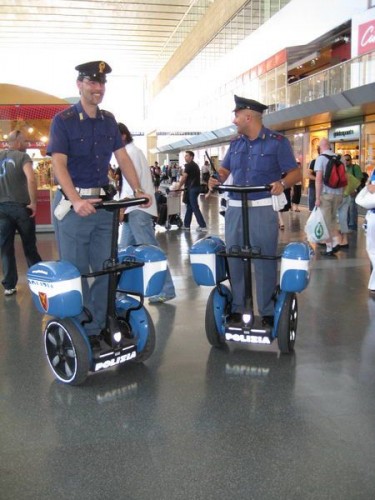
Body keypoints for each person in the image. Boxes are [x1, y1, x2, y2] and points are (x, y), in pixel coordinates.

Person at [47, 60, 151, 336]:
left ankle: (97, 322)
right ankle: (77, 325)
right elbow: (58, 164)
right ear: (79, 85)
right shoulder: (63, 121)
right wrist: (75, 199)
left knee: (107, 267)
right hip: (74, 206)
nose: (98, 88)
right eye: (92, 82)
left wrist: (139, 190)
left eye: (102, 83)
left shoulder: (108, 120)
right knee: (77, 271)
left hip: (104, 205)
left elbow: (122, 157)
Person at [209, 95, 301, 327]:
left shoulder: (277, 142)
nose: (234, 119)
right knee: (235, 257)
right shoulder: (235, 144)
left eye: (237, 115)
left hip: (262, 209)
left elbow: (295, 173)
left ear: (248, 116)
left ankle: (268, 311)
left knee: (263, 259)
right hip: (235, 210)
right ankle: (238, 308)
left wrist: (283, 183)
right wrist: (216, 178)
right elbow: (224, 169)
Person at [117, 122, 176, 304]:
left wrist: (121, 208)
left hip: (137, 210)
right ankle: (120, 292)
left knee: (150, 250)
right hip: (134, 210)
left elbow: (131, 185)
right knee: (123, 252)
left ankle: (167, 288)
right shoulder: (131, 152)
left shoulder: (130, 153)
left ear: (123, 136)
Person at [0, 130, 42, 296]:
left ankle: (9, 285)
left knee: (5, 248)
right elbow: (31, 179)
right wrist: (34, 203)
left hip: (2, 209)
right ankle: (39, 282)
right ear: (16, 142)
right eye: (24, 141)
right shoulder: (23, 157)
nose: (27, 144)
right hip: (21, 208)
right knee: (29, 246)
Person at [314, 138, 344, 257]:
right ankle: (336, 241)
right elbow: (344, 177)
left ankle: (329, 248)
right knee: (332, 219)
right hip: (339, 194)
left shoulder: (320, 158)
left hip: (326, 194)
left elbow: (318, 179)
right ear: (330, 146)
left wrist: (317, 197)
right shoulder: (340, 158)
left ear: (321, 147)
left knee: (325, 221)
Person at [177, 150, 207, 232]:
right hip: (195, 188)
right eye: (185, 155)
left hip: (192, 189)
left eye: (187, 155)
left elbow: (184, 177)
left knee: (194, 207)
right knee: (190, 207)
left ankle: (203, 225)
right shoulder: (195, 165)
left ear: (191, 157)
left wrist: (179, 187)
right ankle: (186, 225)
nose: (185, 157)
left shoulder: (189, 165)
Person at [345, 154, 363, 230]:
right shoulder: (344, 168)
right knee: (346, 209)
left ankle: (352, 225)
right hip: (346, 192)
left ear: (351, 160)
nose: (346, 161)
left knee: (352, 209)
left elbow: (359, 180)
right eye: (345, 160)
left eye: (348, 159)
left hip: (353, 192)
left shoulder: (355, 167)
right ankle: (347, 224)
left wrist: (354, 190)